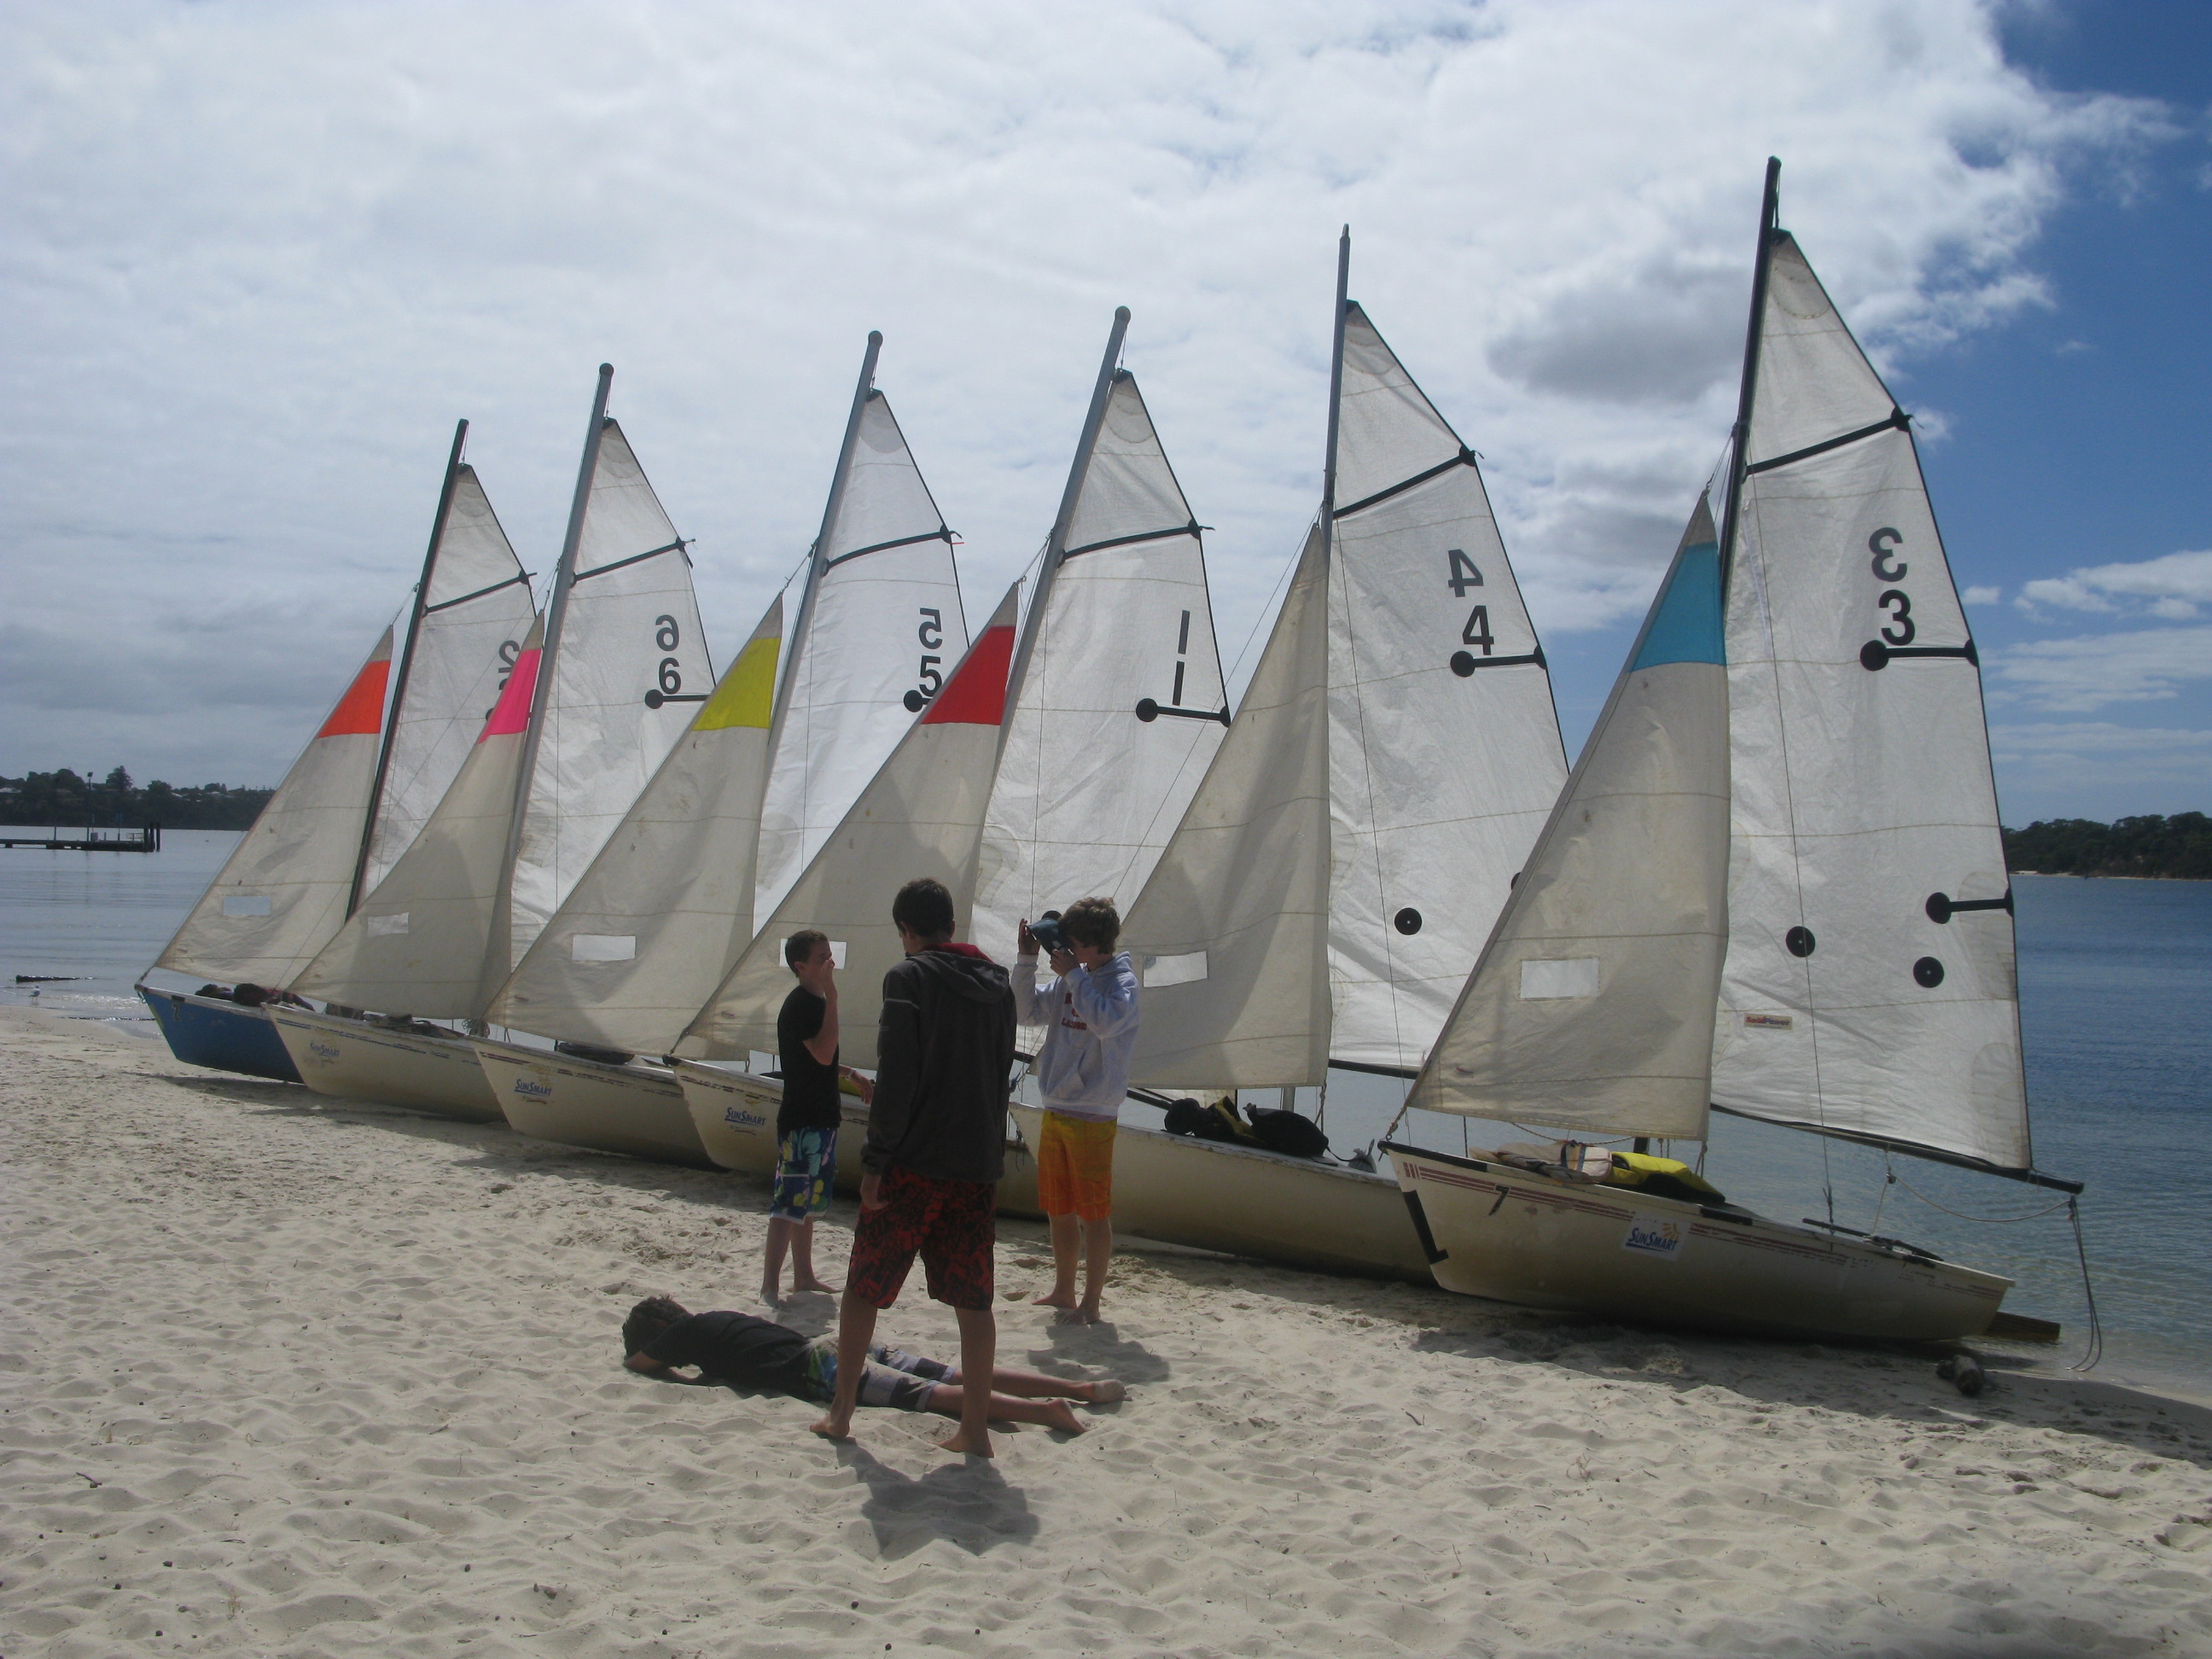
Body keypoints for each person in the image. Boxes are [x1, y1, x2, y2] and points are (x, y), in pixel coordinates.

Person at [812, 876, 1016, 1455]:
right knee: (974, 1301)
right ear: (950, 924)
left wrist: (875, 1161)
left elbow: (897, 1076)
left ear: (906, 930)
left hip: (915, 1162)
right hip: (975, 1165)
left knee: (864, 1286)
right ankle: (974, 1430)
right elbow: (999, 1073)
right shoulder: (999, 985)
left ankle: (841, 1415)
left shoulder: (908, 979)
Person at [622, 1297, 1121, 1434]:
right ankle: (1077, 1389)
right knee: (957, 1374)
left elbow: (641, 1363)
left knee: (934, 1397)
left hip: (820, 1369)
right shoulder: (718, 1322)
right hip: (840, 1342)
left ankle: (1046, 1411)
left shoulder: (687, 1334)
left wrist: (653, 1356)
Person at [1014, 897, 1139, 1324]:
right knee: (1059, 1208)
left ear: (1090, 945)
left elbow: (1105, 1023)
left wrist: (1072, 974)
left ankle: (1092, 1301)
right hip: (1057, 1105)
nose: (1063, 951)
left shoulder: (1121, 983)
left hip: (1094, 1113)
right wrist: (1026, 961)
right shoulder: (1074, 978)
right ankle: (1064, 1290)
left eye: (1070, 944)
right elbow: (1025, 1012)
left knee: (1093, 1213)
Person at [765, 930, 872, 1306]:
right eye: (822, 958)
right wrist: (834, 998)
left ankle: (804, 1276)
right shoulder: (802, 1004)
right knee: (789, 1204)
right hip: (802, 1119)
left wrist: (850, 1073)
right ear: (801, 966)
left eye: (830, 954)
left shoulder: (815, 1003)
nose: (830, 963)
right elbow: (823, 1053)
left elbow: (818, 1059)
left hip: (822, 1117)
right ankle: (770, 1285)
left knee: (807, 1204)